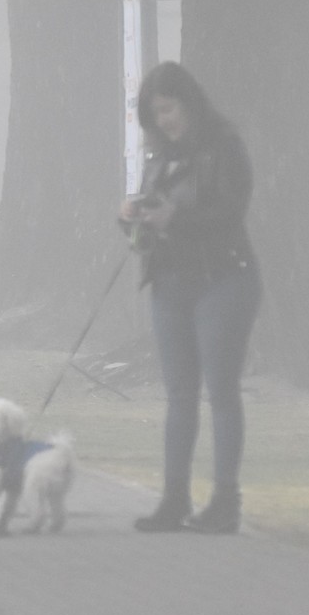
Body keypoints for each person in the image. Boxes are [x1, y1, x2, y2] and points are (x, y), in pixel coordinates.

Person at [120, 61, 263, 535]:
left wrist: (173, 219)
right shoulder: (159, 159)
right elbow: (151, 226)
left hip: (223, 279)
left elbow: (228, 215)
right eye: (155, 114)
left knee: (220, 391)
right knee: (179, 394)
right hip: (171, 283)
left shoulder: (224, 148)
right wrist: (133, 219)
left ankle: (225, 501)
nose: (164, 121)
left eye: (169, 108)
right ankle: (174, 498)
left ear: (189, 101)